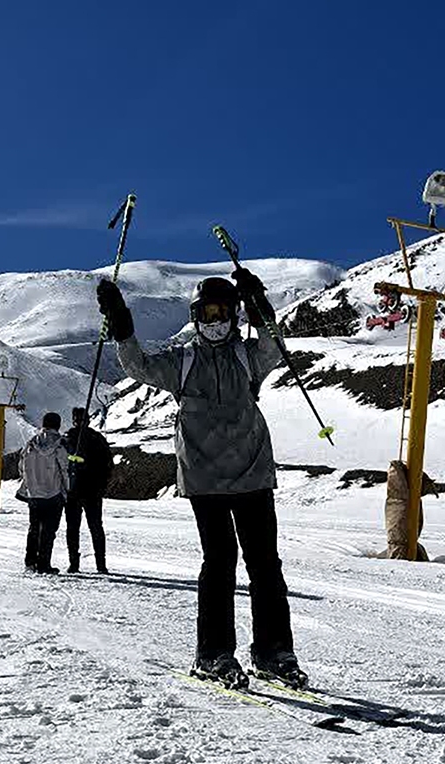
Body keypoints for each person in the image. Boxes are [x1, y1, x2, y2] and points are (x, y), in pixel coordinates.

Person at [96, 268, 307, 689]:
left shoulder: (248, 356)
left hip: (252, 473)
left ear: (234, 314)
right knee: (220, 562)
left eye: (223, 312)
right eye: (207, 314)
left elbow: (274, 345)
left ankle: (274, 652)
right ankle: (213, 653)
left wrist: (259, 300)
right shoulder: (183, 362)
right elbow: (138, 365)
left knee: (266, 566)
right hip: (205, 477)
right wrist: (122, 324)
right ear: (195, 317)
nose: (215, 321)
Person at [63, 407, 113, 574]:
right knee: (95, 527)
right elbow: (108, 465)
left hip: (74, 490)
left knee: (74, 528)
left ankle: (75, 563)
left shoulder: (69, 438)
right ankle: (100, 564)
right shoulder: (97, 438)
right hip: (92, 491)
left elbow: (63, 462)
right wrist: (102, 486)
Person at [18, 411, 70, 575]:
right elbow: (65, 469)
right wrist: (67, 490)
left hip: (34, 494)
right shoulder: (60, 445)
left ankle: (30, 562)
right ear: (58, 425)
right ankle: (44, 564)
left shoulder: (30, 444)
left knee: (34, 529)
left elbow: (21, 467)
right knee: (48, 531)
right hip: (53, 493)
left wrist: (30, 485)